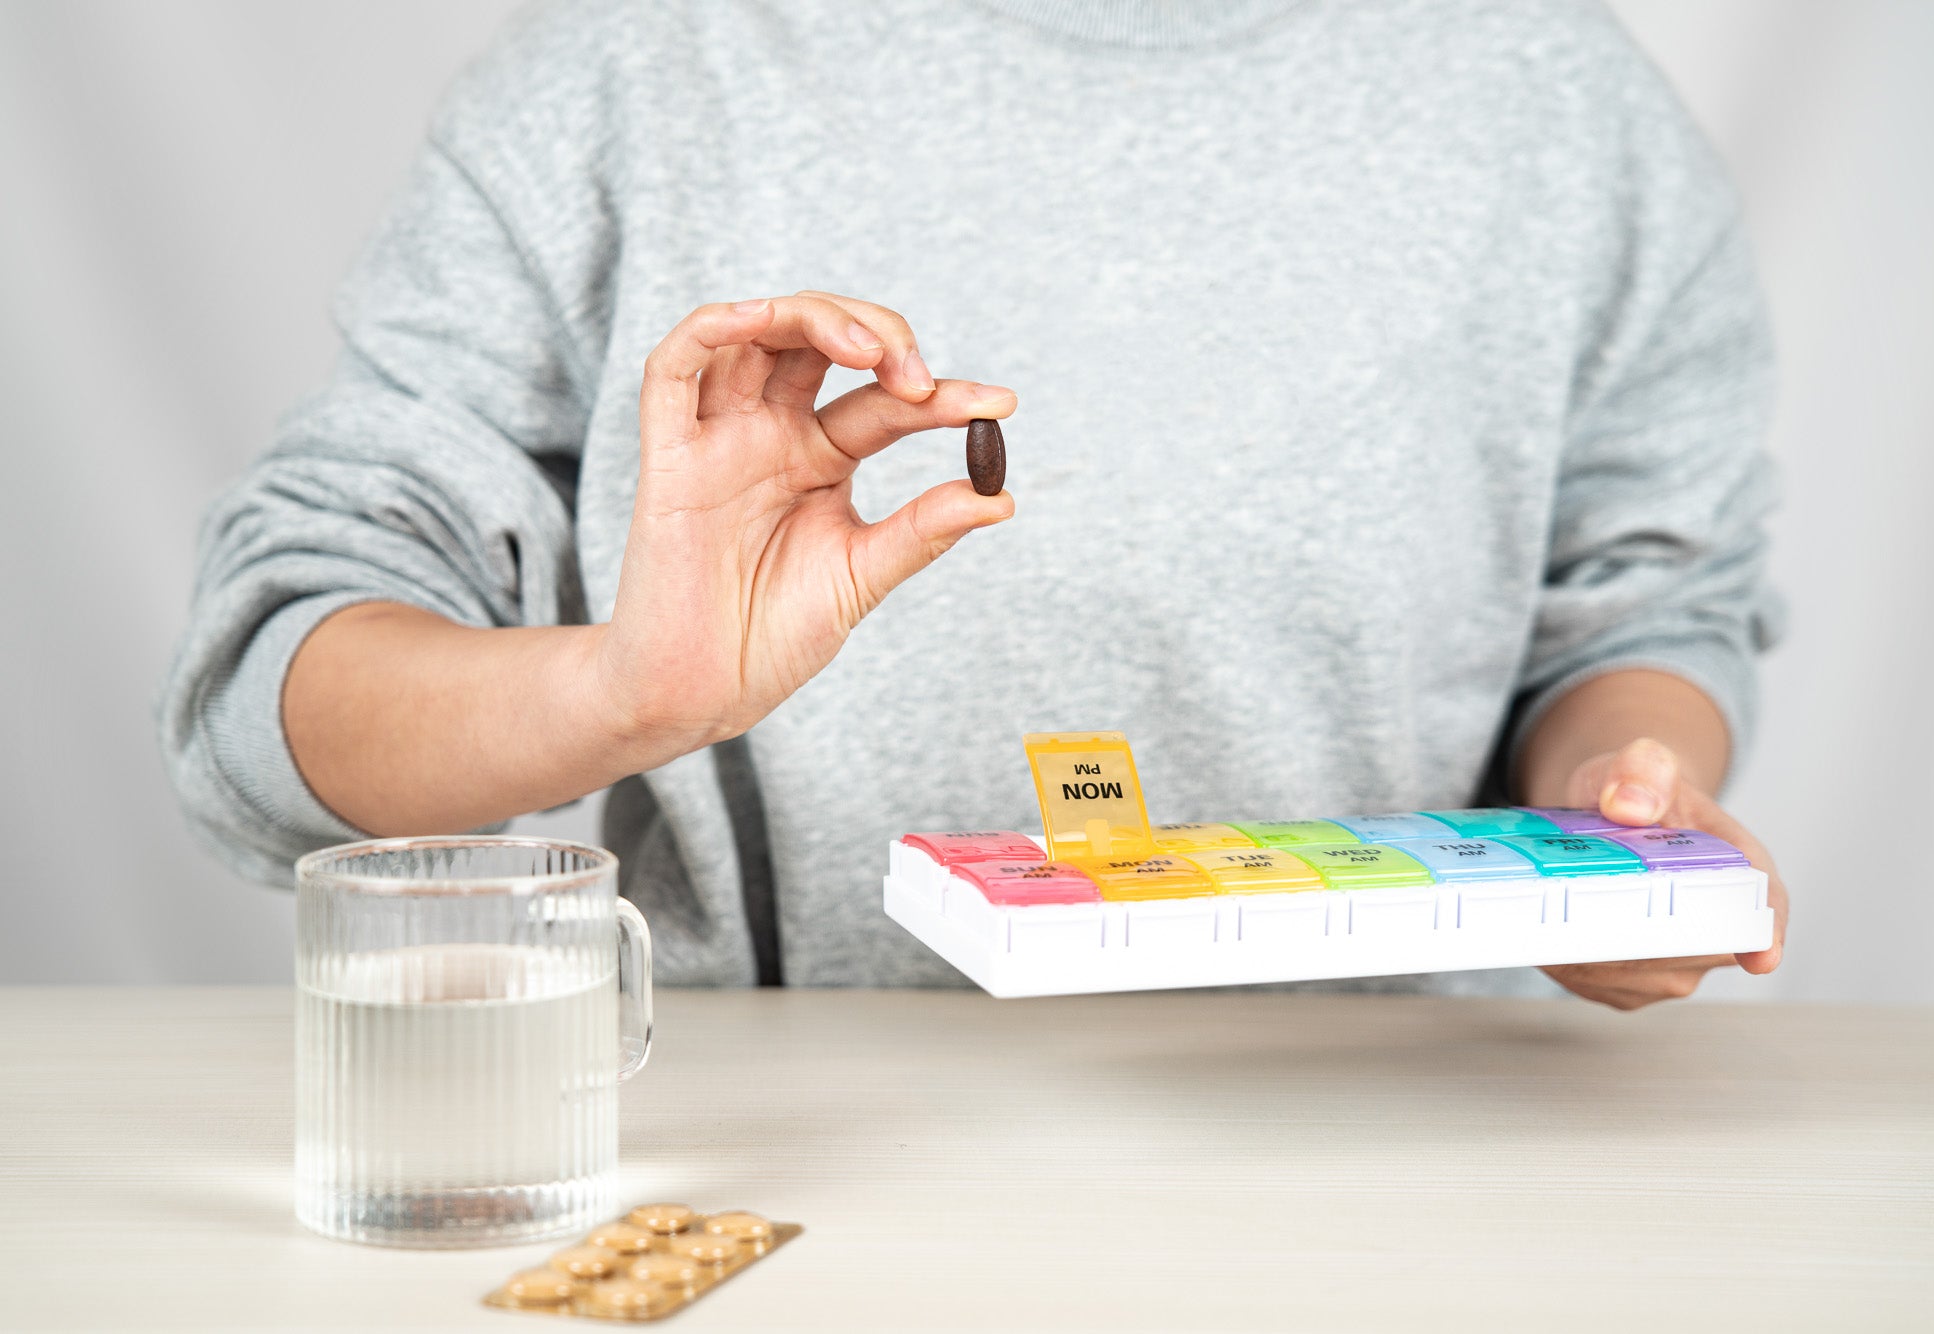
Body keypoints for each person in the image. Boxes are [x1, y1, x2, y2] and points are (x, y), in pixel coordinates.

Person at [160, 0, 1788, 1009]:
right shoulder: (636, 66)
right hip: (798, 1163)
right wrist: (623, 690)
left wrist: (1615, 834)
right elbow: (266, 707)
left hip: (1408, 1156)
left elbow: (1643, 614)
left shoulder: (1563, 99)